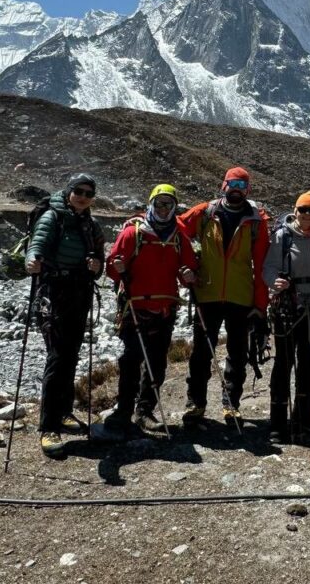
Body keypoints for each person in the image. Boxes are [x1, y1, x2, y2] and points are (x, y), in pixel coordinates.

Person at [104, 184, 198, 435]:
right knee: (131, 361)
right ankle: (124, 410)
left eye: (169, 204)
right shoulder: (132, 233)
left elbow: (187, 270)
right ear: (151, 204)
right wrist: (118, 267)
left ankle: (144, 410)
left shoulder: (178, 236)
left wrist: (188, 274)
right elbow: (111, 271)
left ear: (175, 207)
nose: (164, 209)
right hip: (134, 307)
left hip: (165, 309)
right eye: (160, 203)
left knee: (157, 363)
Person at [179, 167, 270, 426]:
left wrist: (260, 305)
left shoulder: (256, 221)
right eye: (233, 184)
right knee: (201, 352)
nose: (237, 189)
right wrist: (189, 265)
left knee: (238, 353)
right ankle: (195, 403)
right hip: (206, 293)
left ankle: (232, 405)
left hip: (241, 296)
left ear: (248, 189)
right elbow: (175, 229)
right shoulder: (205, 212)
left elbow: (261, 265)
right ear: (224, 186)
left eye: (242, 185)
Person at [25, 173, 105, 456]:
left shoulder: (89, 223)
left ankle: (64, 412)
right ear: (69, 191)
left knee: (70, 354)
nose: (83, 196)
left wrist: (97, 265)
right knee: (58, 357)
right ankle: (48, 427)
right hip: (54, 294)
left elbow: (100, 259)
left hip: (79, 293)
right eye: (78, 191)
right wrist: (32, 261)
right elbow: (37, 244)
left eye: (88, 193)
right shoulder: (52, 216)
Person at [263, 191, 310, 444]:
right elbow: (268, 267)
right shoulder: (283, 235)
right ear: (296, 210)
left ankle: (303, 414)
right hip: (286, 305)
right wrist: (274, 281)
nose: (307, 215)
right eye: (303, 210)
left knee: (307, 360)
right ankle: (278, 421)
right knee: (284, 362)